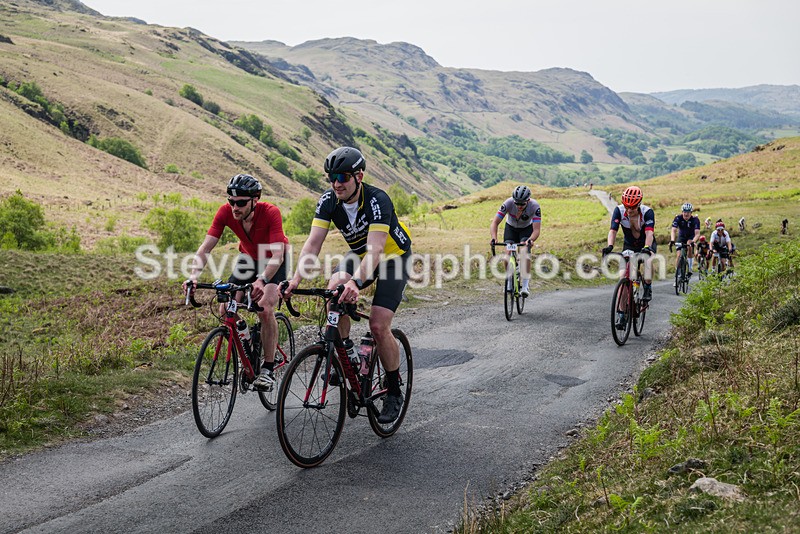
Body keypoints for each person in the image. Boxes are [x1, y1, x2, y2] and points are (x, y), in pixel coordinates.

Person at [283, 147, 412, 424]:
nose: (337, 183)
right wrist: (295, 280)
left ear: (359, 176)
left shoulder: (378, 200)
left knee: (378, 325)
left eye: (342, 176)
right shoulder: (329, 201)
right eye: (332, 177)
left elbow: (376, 250)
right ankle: (346, 351)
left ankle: (394, 389)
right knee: (334, 289)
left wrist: (356, 283)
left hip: (393, 258)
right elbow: (313, 243)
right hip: (360, 254)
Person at [183, 174, 288, 390]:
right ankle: (246, 337)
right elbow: (205, 248)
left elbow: (278, 256)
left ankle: (268, 368)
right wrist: (193, 276)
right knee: (225, 308)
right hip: (248, 259)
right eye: (231, 201)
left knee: (265, 308)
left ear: (255, 200)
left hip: (274, 262)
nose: (234, 207)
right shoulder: (225, 212)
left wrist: (262, 280)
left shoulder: (270, 212)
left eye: (240, 202)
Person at [601, 185, 656, 329]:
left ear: (638, 205)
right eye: (627, 206)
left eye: (632, 207)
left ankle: (648, 287)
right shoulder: (619, 211)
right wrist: (610, 246)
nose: (629, 210)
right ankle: (621, 314)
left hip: (646, 243)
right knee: (623, 277)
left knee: (648, 262)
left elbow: (649, 233)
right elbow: (613, 231)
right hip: (629, 245)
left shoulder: (647, 212)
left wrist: (647, 248)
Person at [489, 185, 542, 298]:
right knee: (507, 254)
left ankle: (525, 285)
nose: (519, 206)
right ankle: (509, 280)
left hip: (526, 230)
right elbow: (495, 223)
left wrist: (530, 240)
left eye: (522, 204)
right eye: (517, 203)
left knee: (524, 253)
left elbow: (536, 230)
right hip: (511, 229)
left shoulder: (535, 206)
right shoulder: (508, 203)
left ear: (528, 200)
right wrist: (494, 237)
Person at [669, 202, 700, 284]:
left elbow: (697, 234)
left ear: (691, 213)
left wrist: (694, 241)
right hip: (681, 237)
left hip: (691, 237)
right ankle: (678, 274)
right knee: (679, 255)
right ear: (682, 212)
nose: (686, 214)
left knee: (689, 246)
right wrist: (672, 240)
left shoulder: (695, 220)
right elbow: (673, 230)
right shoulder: (678, 218)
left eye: (688, 212)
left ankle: (689, 268)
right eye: (685, 212)